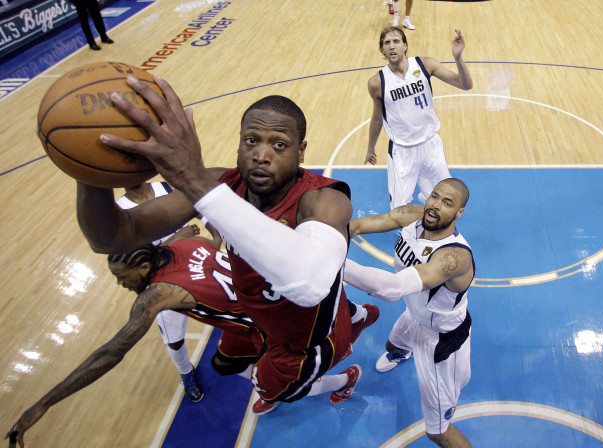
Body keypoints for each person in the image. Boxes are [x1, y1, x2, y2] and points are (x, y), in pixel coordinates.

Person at [71, 79, 378, 415]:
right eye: (251, 141)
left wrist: (192, 176)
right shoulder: (222, 184)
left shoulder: (325, 200)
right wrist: (88, 169)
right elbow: (110, 238)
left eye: (279, 144)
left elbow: (310, 284)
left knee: (273, 389)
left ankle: (347, 364)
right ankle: (358, 315)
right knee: (224, 363)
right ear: (239, 143)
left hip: (307, 336)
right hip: (257, 317)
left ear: (301, 151)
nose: (262, 155)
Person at [5, 237, 267, 447]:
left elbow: (110, 353)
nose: (120, 283)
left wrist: (43, 403)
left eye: (122, 276)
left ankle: (274, 389)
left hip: (268, 328)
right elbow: (208, 237)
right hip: (254, 309)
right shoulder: (182, 244)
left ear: (144, 267)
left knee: (283, 380)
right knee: (222, 363)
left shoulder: (159, 293)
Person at [345, 178, 475, 448]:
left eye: (447, 203)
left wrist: (334, 262)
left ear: (459, 213)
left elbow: (394, 288)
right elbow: (357, 225)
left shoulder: (454, 257)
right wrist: (326, 239)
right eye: (435, 196)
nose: (436, 206)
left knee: (438, 432)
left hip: (441, 340)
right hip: (414, 314)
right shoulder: (415, 215)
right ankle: (402, 351)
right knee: (392, 345)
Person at [117, 181, 223, 402]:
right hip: (163, 282)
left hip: (196, 264)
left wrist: (215, 236)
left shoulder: (164, 188)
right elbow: (133, 260)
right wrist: (177, 239)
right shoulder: (120, 211)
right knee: (174, 340)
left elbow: (197, 207)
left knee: (235, 304)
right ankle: (186, 372)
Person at [365, 27, 473, 210]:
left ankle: (427, 198)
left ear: (405, 45)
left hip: (431, 145)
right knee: (399, 210)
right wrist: (370, 148)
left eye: (396, 41)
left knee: (447, 199)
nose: (392, 46)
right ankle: (407, 233)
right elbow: (377, 119)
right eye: (387, 43)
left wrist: (457, 58)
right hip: (402, 150)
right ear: (382, 50)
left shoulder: (425, 65)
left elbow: (465, 85)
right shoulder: (377, 82)